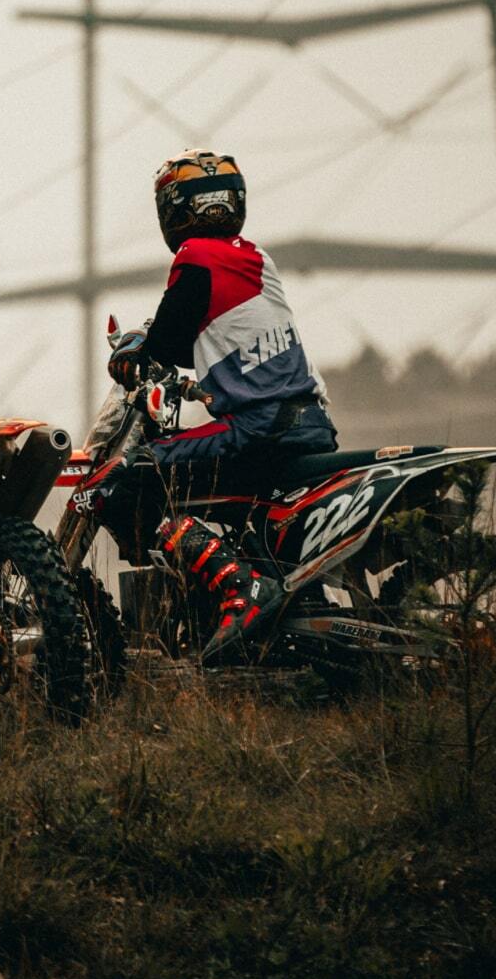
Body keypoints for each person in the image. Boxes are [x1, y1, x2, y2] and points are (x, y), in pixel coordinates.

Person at [95, 148, 337, 661]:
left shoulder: (195, 257)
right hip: (310, 423)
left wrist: (136, 348)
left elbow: (165, 342)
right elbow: (203, 340)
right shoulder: (256, 259)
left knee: (137, 478)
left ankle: (241, 588)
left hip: (258, 429)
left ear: (173, 210)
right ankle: (277, 618)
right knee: (261, 531)